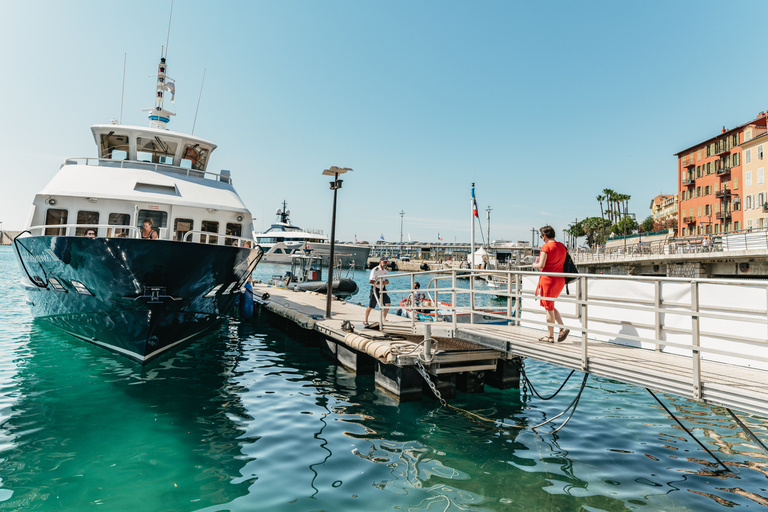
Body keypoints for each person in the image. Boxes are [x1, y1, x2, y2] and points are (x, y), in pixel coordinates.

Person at [531, 225, 569, 343]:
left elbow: (541, 265)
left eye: (542, 236)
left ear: (545, 236)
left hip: (548, 280)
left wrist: (534, 265)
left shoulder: (546, 247)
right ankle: (562, 328)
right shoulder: (562, 246)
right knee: (550, 305)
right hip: (560, 280)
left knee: (548, 308)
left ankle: (550, 336)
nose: (542, 238)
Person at [364, 257, 390, 327]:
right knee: (371, 306)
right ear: (380, 262)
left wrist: (382, 283)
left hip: (382, 289)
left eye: (386, 262)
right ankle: (365, 320)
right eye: (384, 261)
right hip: (375, 289)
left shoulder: (385, 271)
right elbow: (370, 281)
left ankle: (384, 319)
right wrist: (381, 282)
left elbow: (387, 281)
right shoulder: (375, 270)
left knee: (387, 303)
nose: (385, 263)